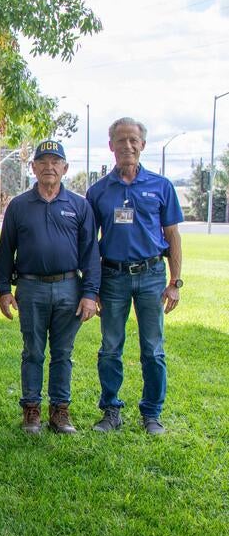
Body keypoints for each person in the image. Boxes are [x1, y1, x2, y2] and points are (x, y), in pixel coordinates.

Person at [0, 140, 100, 434]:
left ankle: (60, 411)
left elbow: (91, 252)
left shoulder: (79, 206)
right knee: (33, 351)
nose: (49, 167)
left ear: (65, 168)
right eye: (43, 161)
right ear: (33, 168)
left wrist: (90, 293)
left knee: (63, 353)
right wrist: (3, 289)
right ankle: (31, 410)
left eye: (55, 162)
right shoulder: (18, 206)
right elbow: (6, 251)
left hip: (69, 287)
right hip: (30, 288)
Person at [86, 118, 183, 435]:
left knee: (153, 349)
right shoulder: (98, 192)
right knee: (110, 347)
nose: (127, 146)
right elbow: (89, 245)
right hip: (113, 277)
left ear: (142, 144)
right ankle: (111, 411)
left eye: (134, 140)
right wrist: (93, 286)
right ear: (111, 145)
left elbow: (173, 235)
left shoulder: (161, 186)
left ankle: (152, 413)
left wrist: (174, 283)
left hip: (152, 275)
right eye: (121, 140)